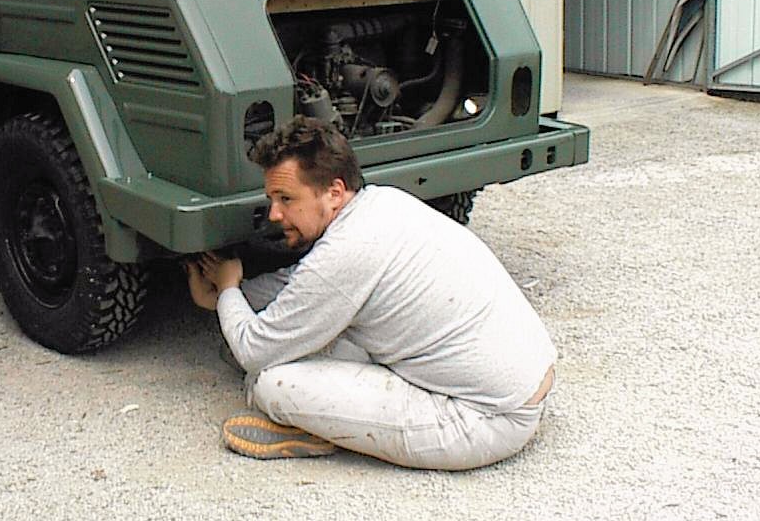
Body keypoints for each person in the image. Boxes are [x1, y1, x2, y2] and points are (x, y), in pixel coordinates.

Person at [186, 116, 556, 470]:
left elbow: (254, 351)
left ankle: (317, 428)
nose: (274, 215)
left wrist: (228, 291)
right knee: (305, 338)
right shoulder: (381, 203)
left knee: (269, 382)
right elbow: (301, 284)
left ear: (334, 192)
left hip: (486, 418)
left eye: (285, 199)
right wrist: (238, 296)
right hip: (522, 380)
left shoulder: (347, 253)